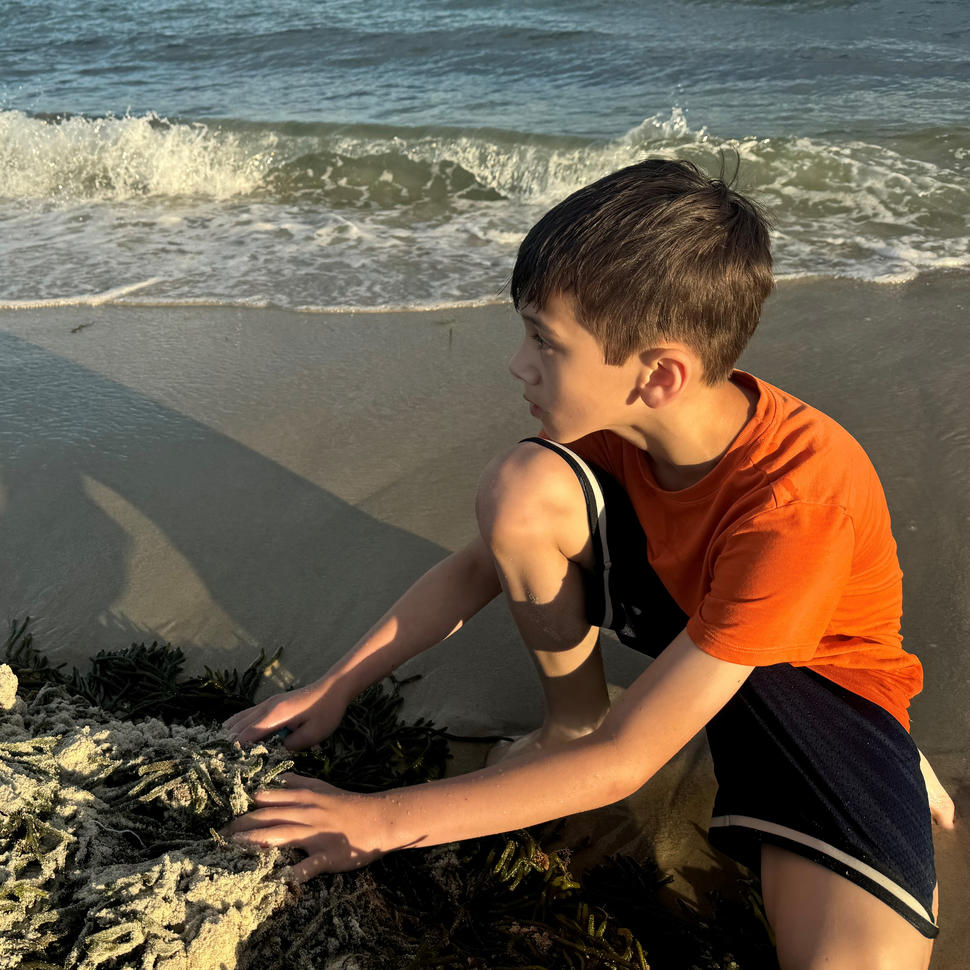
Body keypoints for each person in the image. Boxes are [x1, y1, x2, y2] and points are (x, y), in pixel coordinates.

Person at [223, 159, 954, 969]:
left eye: (545, 340)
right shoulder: (622, 423)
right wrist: (338, 684)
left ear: (660, 375)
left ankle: (892, 754)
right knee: (523, 484)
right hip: (695, 616)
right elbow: (476, 570)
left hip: (815, 689)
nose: (519, 363)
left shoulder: (796, 507)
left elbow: (628, 762)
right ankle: (567, 723)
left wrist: (378, 821)